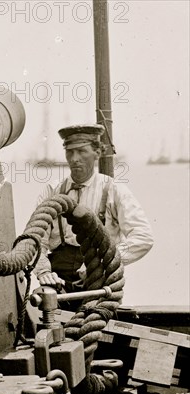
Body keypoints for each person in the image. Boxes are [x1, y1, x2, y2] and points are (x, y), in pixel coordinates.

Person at [34, 124, 154, 298]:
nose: (74, 158)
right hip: (58, 283)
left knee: (95, 314)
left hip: (100, 284)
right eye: (70, 152)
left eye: (82, 151)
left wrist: (106, 262)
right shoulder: (52, 191)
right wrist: (44, 272)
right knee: (39, 304)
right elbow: (36, 240)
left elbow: (144, 237)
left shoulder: (114, 190)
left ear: (97, 153)